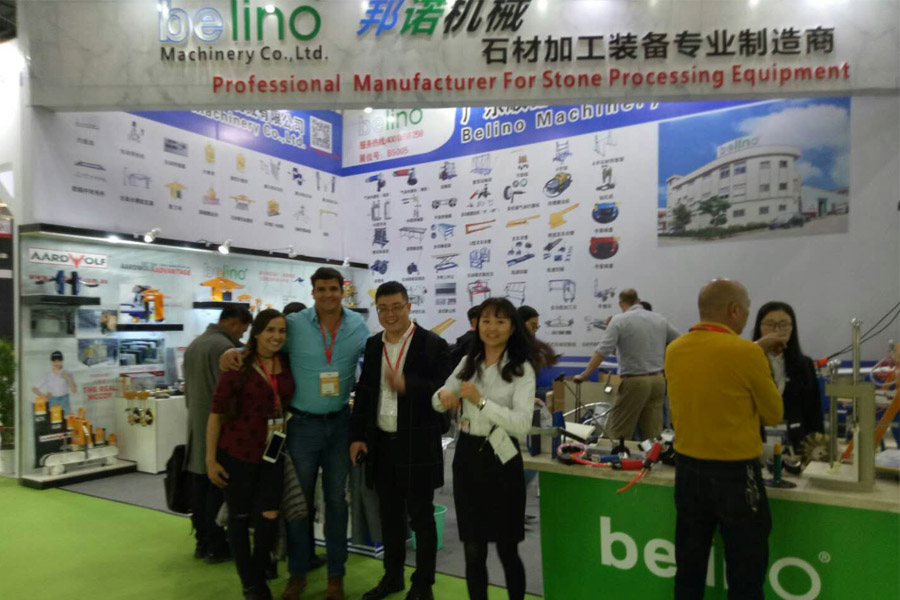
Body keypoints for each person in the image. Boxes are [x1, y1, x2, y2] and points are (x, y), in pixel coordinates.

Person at [225, 267, 368, 600]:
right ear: (312, 292)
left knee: (337, 502)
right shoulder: (295, 325)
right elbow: (265, 348)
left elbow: (380, 354)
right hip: (302, 426)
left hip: (340, 424)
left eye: (334, 289)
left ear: (342, 291)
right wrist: (231, 352)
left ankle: (336, 575)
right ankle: (298, 573)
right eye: (322, 289)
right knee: (298, 503)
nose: (328, 295)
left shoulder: (358, 326)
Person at [665, 279, 787, 600]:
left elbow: (714, 367)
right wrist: (759, 354)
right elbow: (773, 414)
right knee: (746, 576)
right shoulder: (746, 353)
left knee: (688, 569)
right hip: (736, 477)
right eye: (746, 311)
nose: (746, 318)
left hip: (687, 473)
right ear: (734, 310)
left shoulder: (674, 350)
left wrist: (755, 348)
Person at [350, 281, 452, 600]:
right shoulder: (373, 345)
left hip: (417, 443)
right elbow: (364, 393)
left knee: (421, 518)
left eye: (396, 307)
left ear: (409, 307)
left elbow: (445, 390)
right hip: (381, 443)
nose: (390, 314)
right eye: (383, 308)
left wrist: (409, 384)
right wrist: (357, 436)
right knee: (389, 517)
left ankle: (423, 586)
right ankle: (392, 577)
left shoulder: (432, 344)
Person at [434, 297, 536, 600]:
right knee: (473, 549)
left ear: (512, 327)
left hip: (503, 459)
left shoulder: (521, 369)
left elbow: (521, 425)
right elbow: (439, 397)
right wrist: (443, 397)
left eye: (500, 321)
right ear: (477, 325)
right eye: (486, 321)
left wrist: (480, 401)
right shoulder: (469, 362)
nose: (492, 328)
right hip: (467, 455)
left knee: (507, 548)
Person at [207, 309, 294, 600]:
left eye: (281, 331)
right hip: (237, 453)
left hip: (272, 454)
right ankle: (252, 584)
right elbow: (216, 414)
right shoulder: (237, 364)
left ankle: (256, 574)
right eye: (270, 330)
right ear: (256, 332)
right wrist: (210, 460)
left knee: (270, 515)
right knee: (240, 518)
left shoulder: (285, 363)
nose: (276, 336)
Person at [184, 305, 253, 562]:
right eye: (243, 329)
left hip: (196, 426)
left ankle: (202, 542)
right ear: (234, 323)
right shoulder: (227, 349)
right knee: (218, 490)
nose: (243, 334)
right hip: (219, 431)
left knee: (200, 489)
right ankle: (216, 545)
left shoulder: (194, 345)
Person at [574, 288, 680, 442]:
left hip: (635, 381)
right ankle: (652, 456)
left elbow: (602, 351)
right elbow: (678, 341)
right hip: (658, 381)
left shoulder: (619, 320)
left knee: (620, 432)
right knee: (653, 434)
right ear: (638, 300)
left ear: (621, 303)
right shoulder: (659, 319)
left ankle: (619, 455)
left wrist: (585, 374)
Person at [282, 300, 325, 571]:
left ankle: (301, 555)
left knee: (299, 498)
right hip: (283, 434)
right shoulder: (278, 353)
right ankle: (296, 556)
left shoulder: (300, 350)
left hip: (293, 431)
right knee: (294, 498)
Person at [752, 301, 824, 452]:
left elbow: (814, 413)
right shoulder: (749, 361)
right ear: (760, 327)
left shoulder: (805, 364)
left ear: (792, 328)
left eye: (783, 324)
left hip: (797, 445)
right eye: (770, 324)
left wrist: (817, 447)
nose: (776, 330)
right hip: (755, 442)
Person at [32, 350, 76, 415]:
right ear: (51, 362)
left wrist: (67, 378)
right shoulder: (48, 375)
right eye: (54, 361)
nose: (56, 363)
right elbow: (34, 388)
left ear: (62, 361)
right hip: (53, 401)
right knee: (54, 420)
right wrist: (44, 396)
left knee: (66, 420)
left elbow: (74, 390)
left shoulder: (68, 373)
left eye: (58, 360)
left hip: (65, 400)